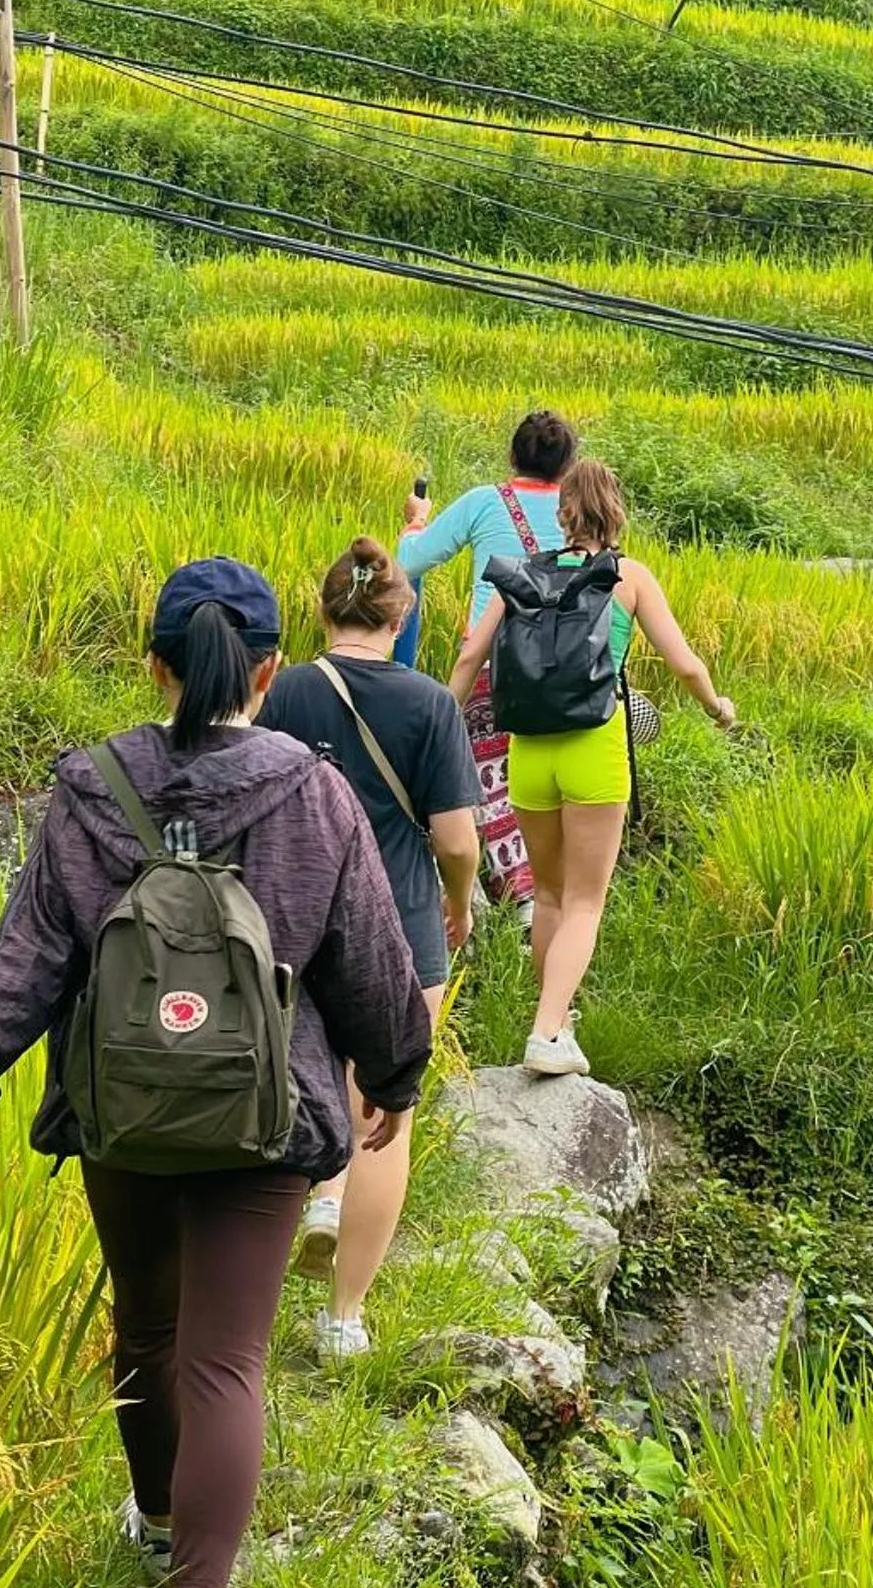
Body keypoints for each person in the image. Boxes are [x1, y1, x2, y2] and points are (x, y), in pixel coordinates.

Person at [0, 557, 431, 1588]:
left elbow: (29, 956)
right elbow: (371, 956)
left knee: (146, 1327)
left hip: (122, 1111)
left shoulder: (92, 788)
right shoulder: (312, 791)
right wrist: (393, 1072)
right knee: (227, 1357)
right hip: (265, 1115)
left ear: (154, 664)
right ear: (270, 671)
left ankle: (152, 1515)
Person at [257, 537, 480, 1361]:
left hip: (300, 920)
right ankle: (344, 1319)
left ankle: (318, 1197)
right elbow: (456, 840)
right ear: (401, 616)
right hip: (404, 924)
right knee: (388, 1112)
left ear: (322, 611)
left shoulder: (284, 691)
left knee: (290, 1090)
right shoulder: (430, 705)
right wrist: (459, 903)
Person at [449, 460, 734, 1078]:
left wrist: (444, 726)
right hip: (594, 750)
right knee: (585, 901)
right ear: (617, 513)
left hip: (528, 752)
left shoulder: (522, 574)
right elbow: (685, 664)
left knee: (549, 895)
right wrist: (719, 709)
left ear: (563, 514)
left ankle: (557, 1021)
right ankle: (547, 1032)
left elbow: (471, 656)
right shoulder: (628, 577)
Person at [397, 410, 577, 918]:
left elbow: (409, 562)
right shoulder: (578, 510)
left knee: (493, 779)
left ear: (512, 456)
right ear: (567, 466)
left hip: (492, 663)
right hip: (566, 668)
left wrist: (416, 521)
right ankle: (553, 890)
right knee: (551, 779)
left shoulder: (485, 502)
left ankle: (517, 899)